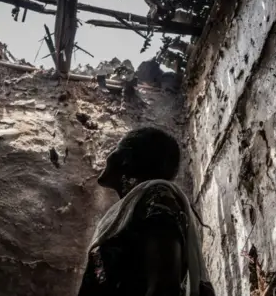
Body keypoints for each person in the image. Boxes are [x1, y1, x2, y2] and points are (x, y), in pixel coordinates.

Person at [77, 127, 216, 296]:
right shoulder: (138, 206)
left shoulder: (157, 196)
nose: (109, 155)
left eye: (115, 149)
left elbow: (163, 287)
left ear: (126, 159)